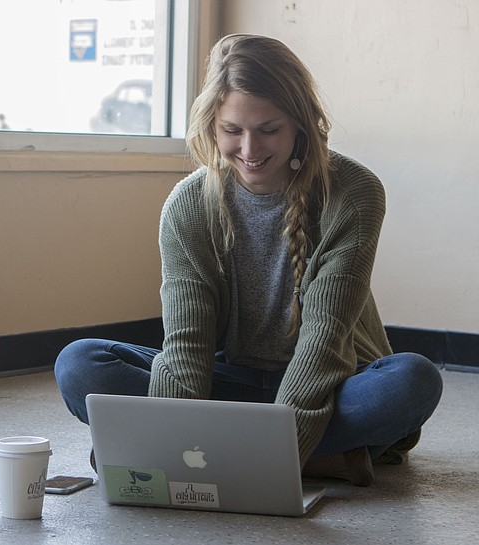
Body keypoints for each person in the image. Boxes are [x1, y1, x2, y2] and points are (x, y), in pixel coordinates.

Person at [54, 34, 443, 487]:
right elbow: (186, 346)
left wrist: (268, 462)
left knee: (412, 380)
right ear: (211, 126)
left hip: (334, 378)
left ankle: (243, 450)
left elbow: (324, 342)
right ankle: (330, 458)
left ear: (301, 122)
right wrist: (164, 442)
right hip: (227, 379)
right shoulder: (188, 204)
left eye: (269, 129)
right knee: (79, 363)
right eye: (232, 130)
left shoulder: (353, 192)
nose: (250, 149)